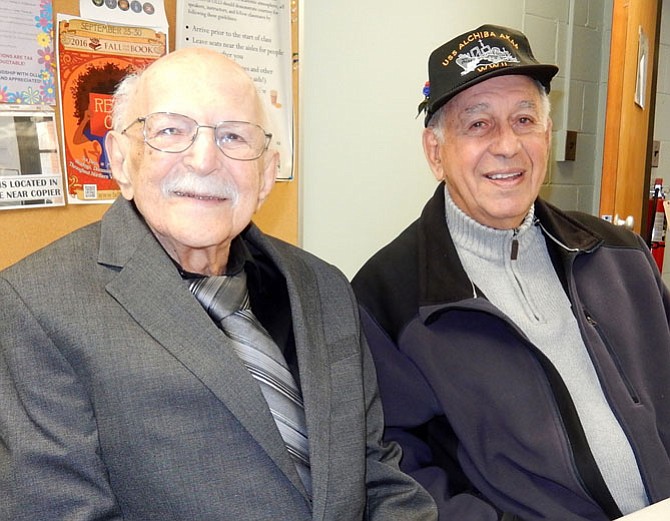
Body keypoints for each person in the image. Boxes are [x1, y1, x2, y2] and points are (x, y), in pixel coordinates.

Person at [0, 47, 437, 521]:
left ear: (266, 173)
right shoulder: (35, 305)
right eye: (170, 131)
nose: (205, 159)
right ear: (121, 161)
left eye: (233, 136)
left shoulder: (325, 287)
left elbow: (376, 473)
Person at [352, 24, 670, 521]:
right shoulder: (386, 300)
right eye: (478, 124)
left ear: (545, 134)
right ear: (436, 152)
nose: (507, 145)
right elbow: (392, 469)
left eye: (524, 119)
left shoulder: (619, 257)